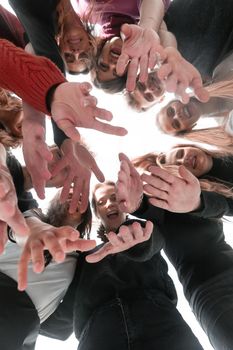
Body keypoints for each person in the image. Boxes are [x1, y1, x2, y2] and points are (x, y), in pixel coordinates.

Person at [116, 147, 233, 349]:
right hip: (208, 290)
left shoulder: (205, 190)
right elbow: (150, 234)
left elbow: (223, 205)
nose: (184, 158)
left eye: (180, 152)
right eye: (177, 161)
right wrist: (137, 206)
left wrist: (197, 202)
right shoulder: (161, 207)